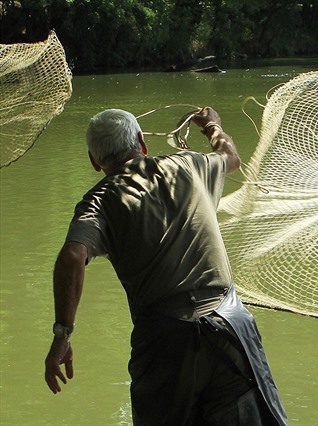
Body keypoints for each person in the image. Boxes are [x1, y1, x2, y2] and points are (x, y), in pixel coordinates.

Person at [44, 107, 288, 426]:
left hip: (166, 342)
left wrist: (63, 333)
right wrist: (212, 125)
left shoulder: (99, 201)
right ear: (142, 143)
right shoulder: (188, 164)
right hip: (230, 328)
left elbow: (73, 257)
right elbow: (230, 156)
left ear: (95, 161)